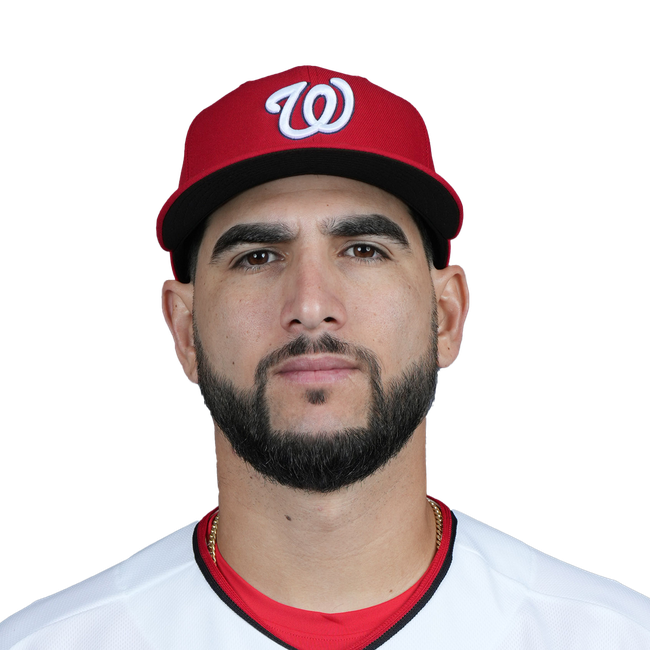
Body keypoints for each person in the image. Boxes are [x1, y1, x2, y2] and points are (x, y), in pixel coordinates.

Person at [1, 64, 648, 650]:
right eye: (257, 256)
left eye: (364, 249)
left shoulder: (613, 636)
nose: (310, 305)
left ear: (447, 315)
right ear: (185, 330)